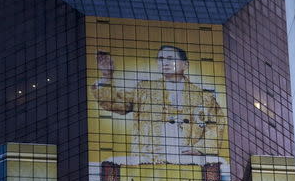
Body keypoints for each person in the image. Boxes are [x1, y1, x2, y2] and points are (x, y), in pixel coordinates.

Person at [91, 46, 225, 164]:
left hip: (186, 159)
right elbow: (116, 104)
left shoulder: (203, 96)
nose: (164, 62)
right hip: (149, 159)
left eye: (170, 58)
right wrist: (107, 76)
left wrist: (200, 149)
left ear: (185, 65)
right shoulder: (144, 90)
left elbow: (216, 124)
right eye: (161, 59)